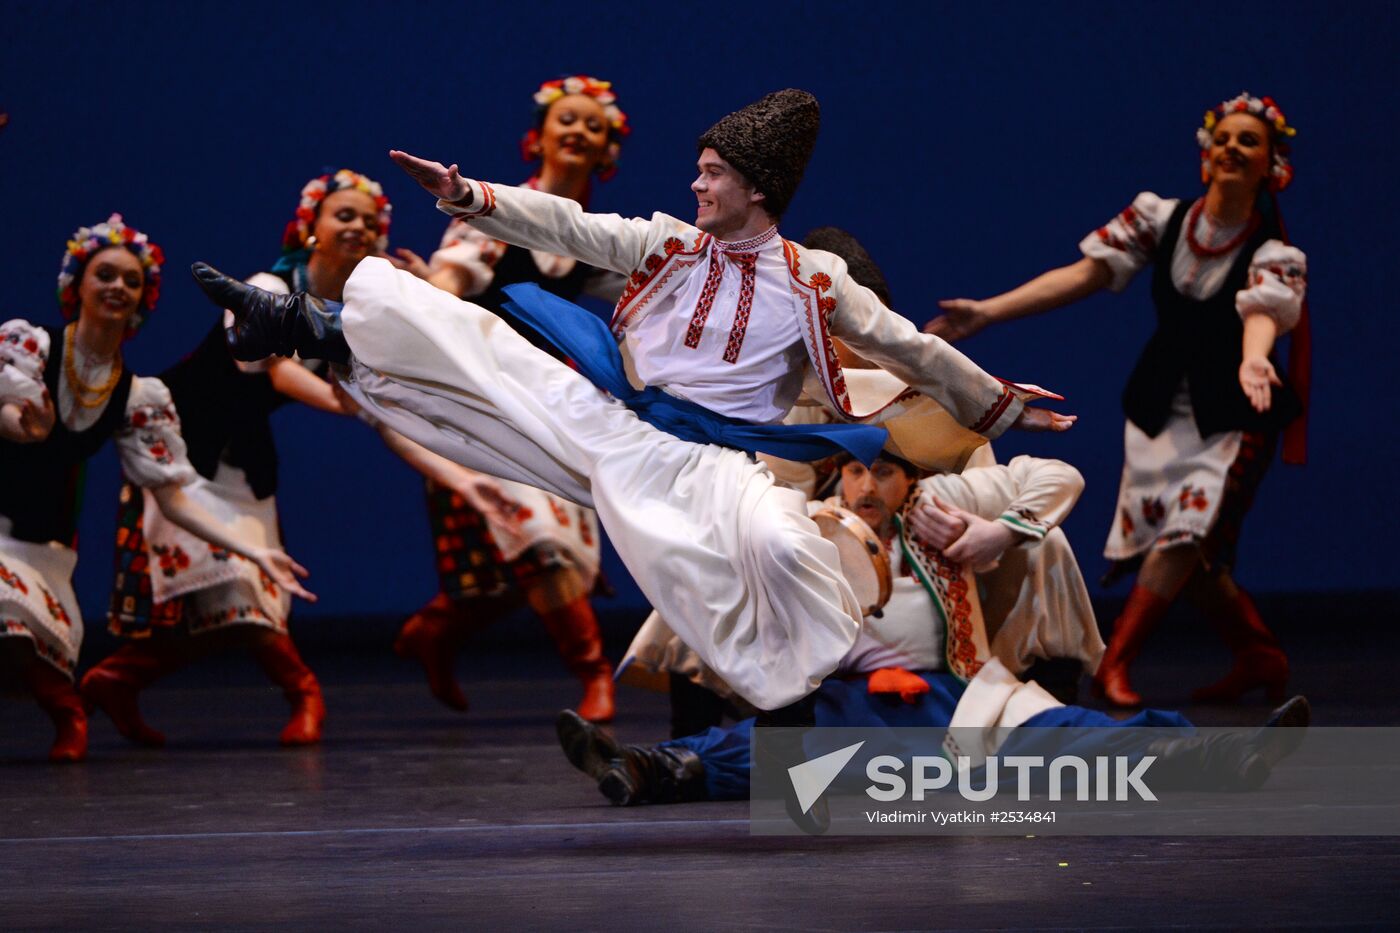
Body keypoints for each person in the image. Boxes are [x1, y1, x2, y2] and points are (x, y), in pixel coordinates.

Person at [192, 89, 1072, 713]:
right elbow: (567, 226)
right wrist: (469, 197)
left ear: (756, 187)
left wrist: (1000, 405)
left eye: (713, 172)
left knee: (778, 540)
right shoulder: (666, 243)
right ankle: (306, 321)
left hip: (712, 466)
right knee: (479, 348)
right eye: (697, 168)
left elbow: (907, 346)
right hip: (613, 421)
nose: (696, 185)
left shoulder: (816, 279)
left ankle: (859, 670)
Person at [554, 447, 1308, 807]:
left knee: (1071, 733)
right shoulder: (810, 533)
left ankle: (1219, 756)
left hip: (964, 698)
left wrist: (997, 530)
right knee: (780, 747)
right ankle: (649, 768)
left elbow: (1058, 478)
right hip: (862, 704)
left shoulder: (940, 509)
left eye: (881, 470)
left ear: (907, 475)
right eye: (852, 470)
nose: (865, 484)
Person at [925, 92, 1308, 707]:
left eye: (1250, 141)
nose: (1233, 147)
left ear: (1272, 166)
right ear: (1206, 158)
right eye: (1225, 139)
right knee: (1192, 553)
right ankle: (1260, 654)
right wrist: (988, 313)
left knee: (1183, 538)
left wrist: (1257, 355)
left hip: (1233, 410)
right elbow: (1084, 275)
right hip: (1163, 406)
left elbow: (1263, 313)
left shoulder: (1274, 255)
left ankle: (1113, 662)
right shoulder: (1162, 220)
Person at [85, 171, 387, 748]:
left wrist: (466, 480)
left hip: (242, 458)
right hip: (180, 444)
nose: (360, 226)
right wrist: (338, 400)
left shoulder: (352, 312)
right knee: (238, 592)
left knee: (237, 602)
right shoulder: (264, 286)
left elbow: (378, 411)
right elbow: (271, 362)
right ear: (311, 228)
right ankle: (304, 692)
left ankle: (115, 679)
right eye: (344, 214)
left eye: (370, 220)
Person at [0, 214, 312, 762]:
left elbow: (174, 495)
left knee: (18, 635)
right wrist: (20, 425)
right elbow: (10, 412)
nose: (118, 286)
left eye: (131, 280)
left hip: (38, 526)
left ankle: (69, 710)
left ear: (143, 301)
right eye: (106, 275)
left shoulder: (135, 396)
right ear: (77, 284)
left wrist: (254, 550)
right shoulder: (31, 347)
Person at [387, 76, 628, 721]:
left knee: (522, 562)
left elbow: (640, 298)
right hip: (487, 396)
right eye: (566, 120)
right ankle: (594, 672)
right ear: (539, 136)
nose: (578, 132)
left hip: (553, 401)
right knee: (541, 545)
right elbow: (452, 272)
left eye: (592, 126)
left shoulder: (591, 234)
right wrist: (426, 300)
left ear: (607, 151)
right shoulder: (496, 213)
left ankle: (437, 631)